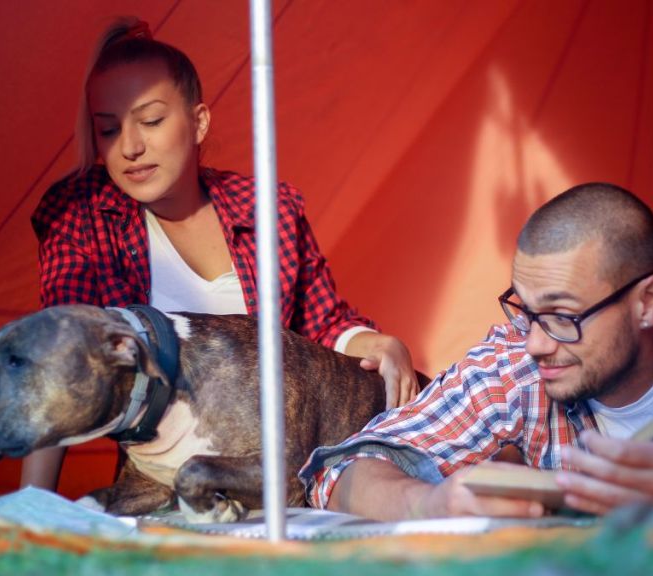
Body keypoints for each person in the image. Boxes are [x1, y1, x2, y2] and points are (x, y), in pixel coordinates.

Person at [299, 182, 653, 520]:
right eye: (525, 310)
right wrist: (431, 504)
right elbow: (343, 469)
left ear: (647, 303)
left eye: (564, 317)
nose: (538, 342)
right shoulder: (518, 358)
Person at [23, 18, 419, 491]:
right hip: (163, 483)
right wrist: (31, 505)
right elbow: (62, 359)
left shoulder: (266, 208)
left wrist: (376, 343)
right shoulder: (81, 215)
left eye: (150, 121)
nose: (130, 147)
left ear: (198, 121)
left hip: (283, 470)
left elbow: (321, 325)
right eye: (108, 130)